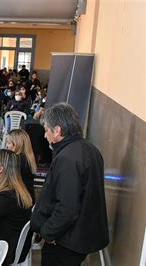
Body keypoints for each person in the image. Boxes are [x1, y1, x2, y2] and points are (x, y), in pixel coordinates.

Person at [31, 103, 109, 265]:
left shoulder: (68, 158)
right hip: (80, 236)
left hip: (66, 241)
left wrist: (48, 233)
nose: (45, 136)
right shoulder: (90, 149)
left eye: (46, 130)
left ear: (57, 130)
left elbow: (67, 207)